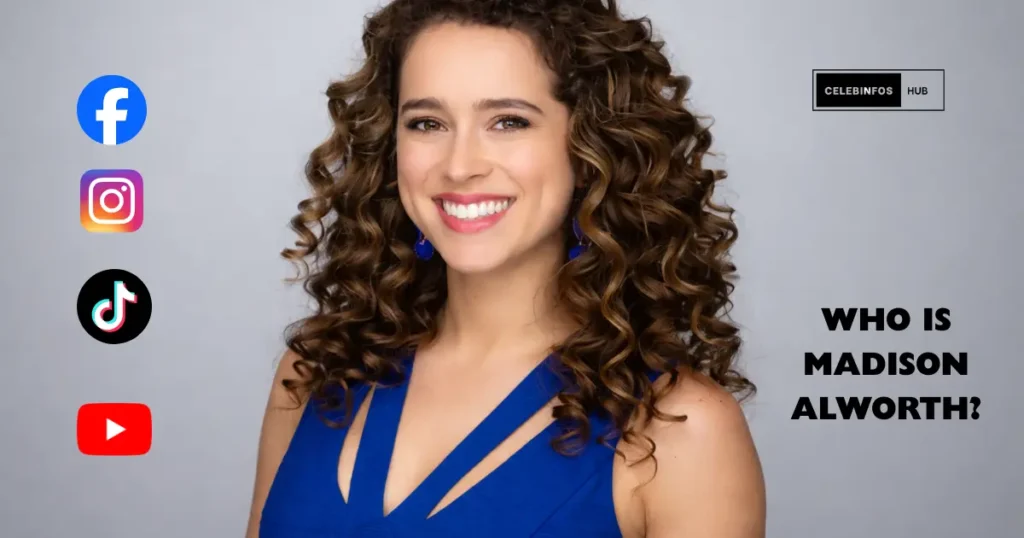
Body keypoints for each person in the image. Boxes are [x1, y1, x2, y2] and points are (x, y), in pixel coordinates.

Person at [245, 0, 765, 536]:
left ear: (590, 147)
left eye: (508, 121)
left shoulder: (679, 429)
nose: (460, 165)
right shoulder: (315, 371)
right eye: (427, 122)